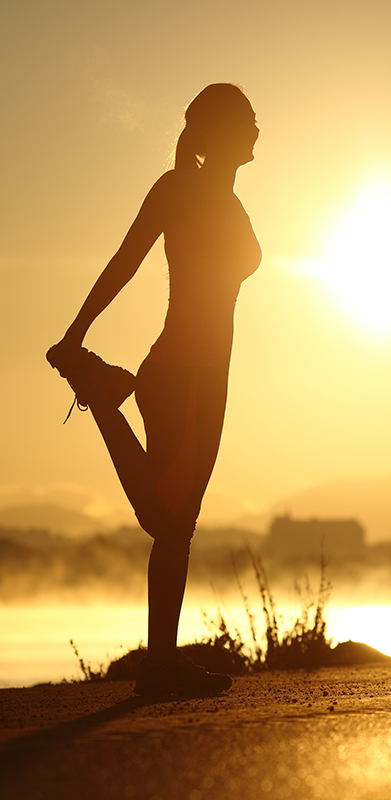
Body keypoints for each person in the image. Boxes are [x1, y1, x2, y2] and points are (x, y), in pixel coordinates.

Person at [46, 83, 261, 696]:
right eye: (246, 118)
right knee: (168, 520)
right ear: (220, 129)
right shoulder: (178, 189)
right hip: (185, 372)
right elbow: (125, 260)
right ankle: (160, 665)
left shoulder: (225, 198)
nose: (256, 128)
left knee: (175, 521)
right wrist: (75, 333)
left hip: (203, 375)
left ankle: (160, 662)